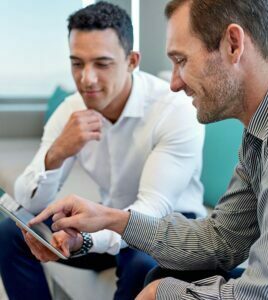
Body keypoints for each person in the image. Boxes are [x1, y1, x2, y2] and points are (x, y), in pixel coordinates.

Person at [27, 0, 268, 299]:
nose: (174, 83)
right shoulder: (260, 132)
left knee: (159, 280)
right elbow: (222, 240)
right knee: (161, 275)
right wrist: (113, 219)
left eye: (181, 60)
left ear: (233, 45)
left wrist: (163, 293)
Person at [0, 2, 206, 300]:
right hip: (102, 220)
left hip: (169, 228)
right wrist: (55, 155)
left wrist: (84, 239)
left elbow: (150, 211)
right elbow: (25, 202)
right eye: (77, 63)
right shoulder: (70, 109)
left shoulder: (173, 109)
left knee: (140, 262)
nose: (87, 79)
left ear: (132, 61)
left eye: (101, 63)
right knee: (10, 234)